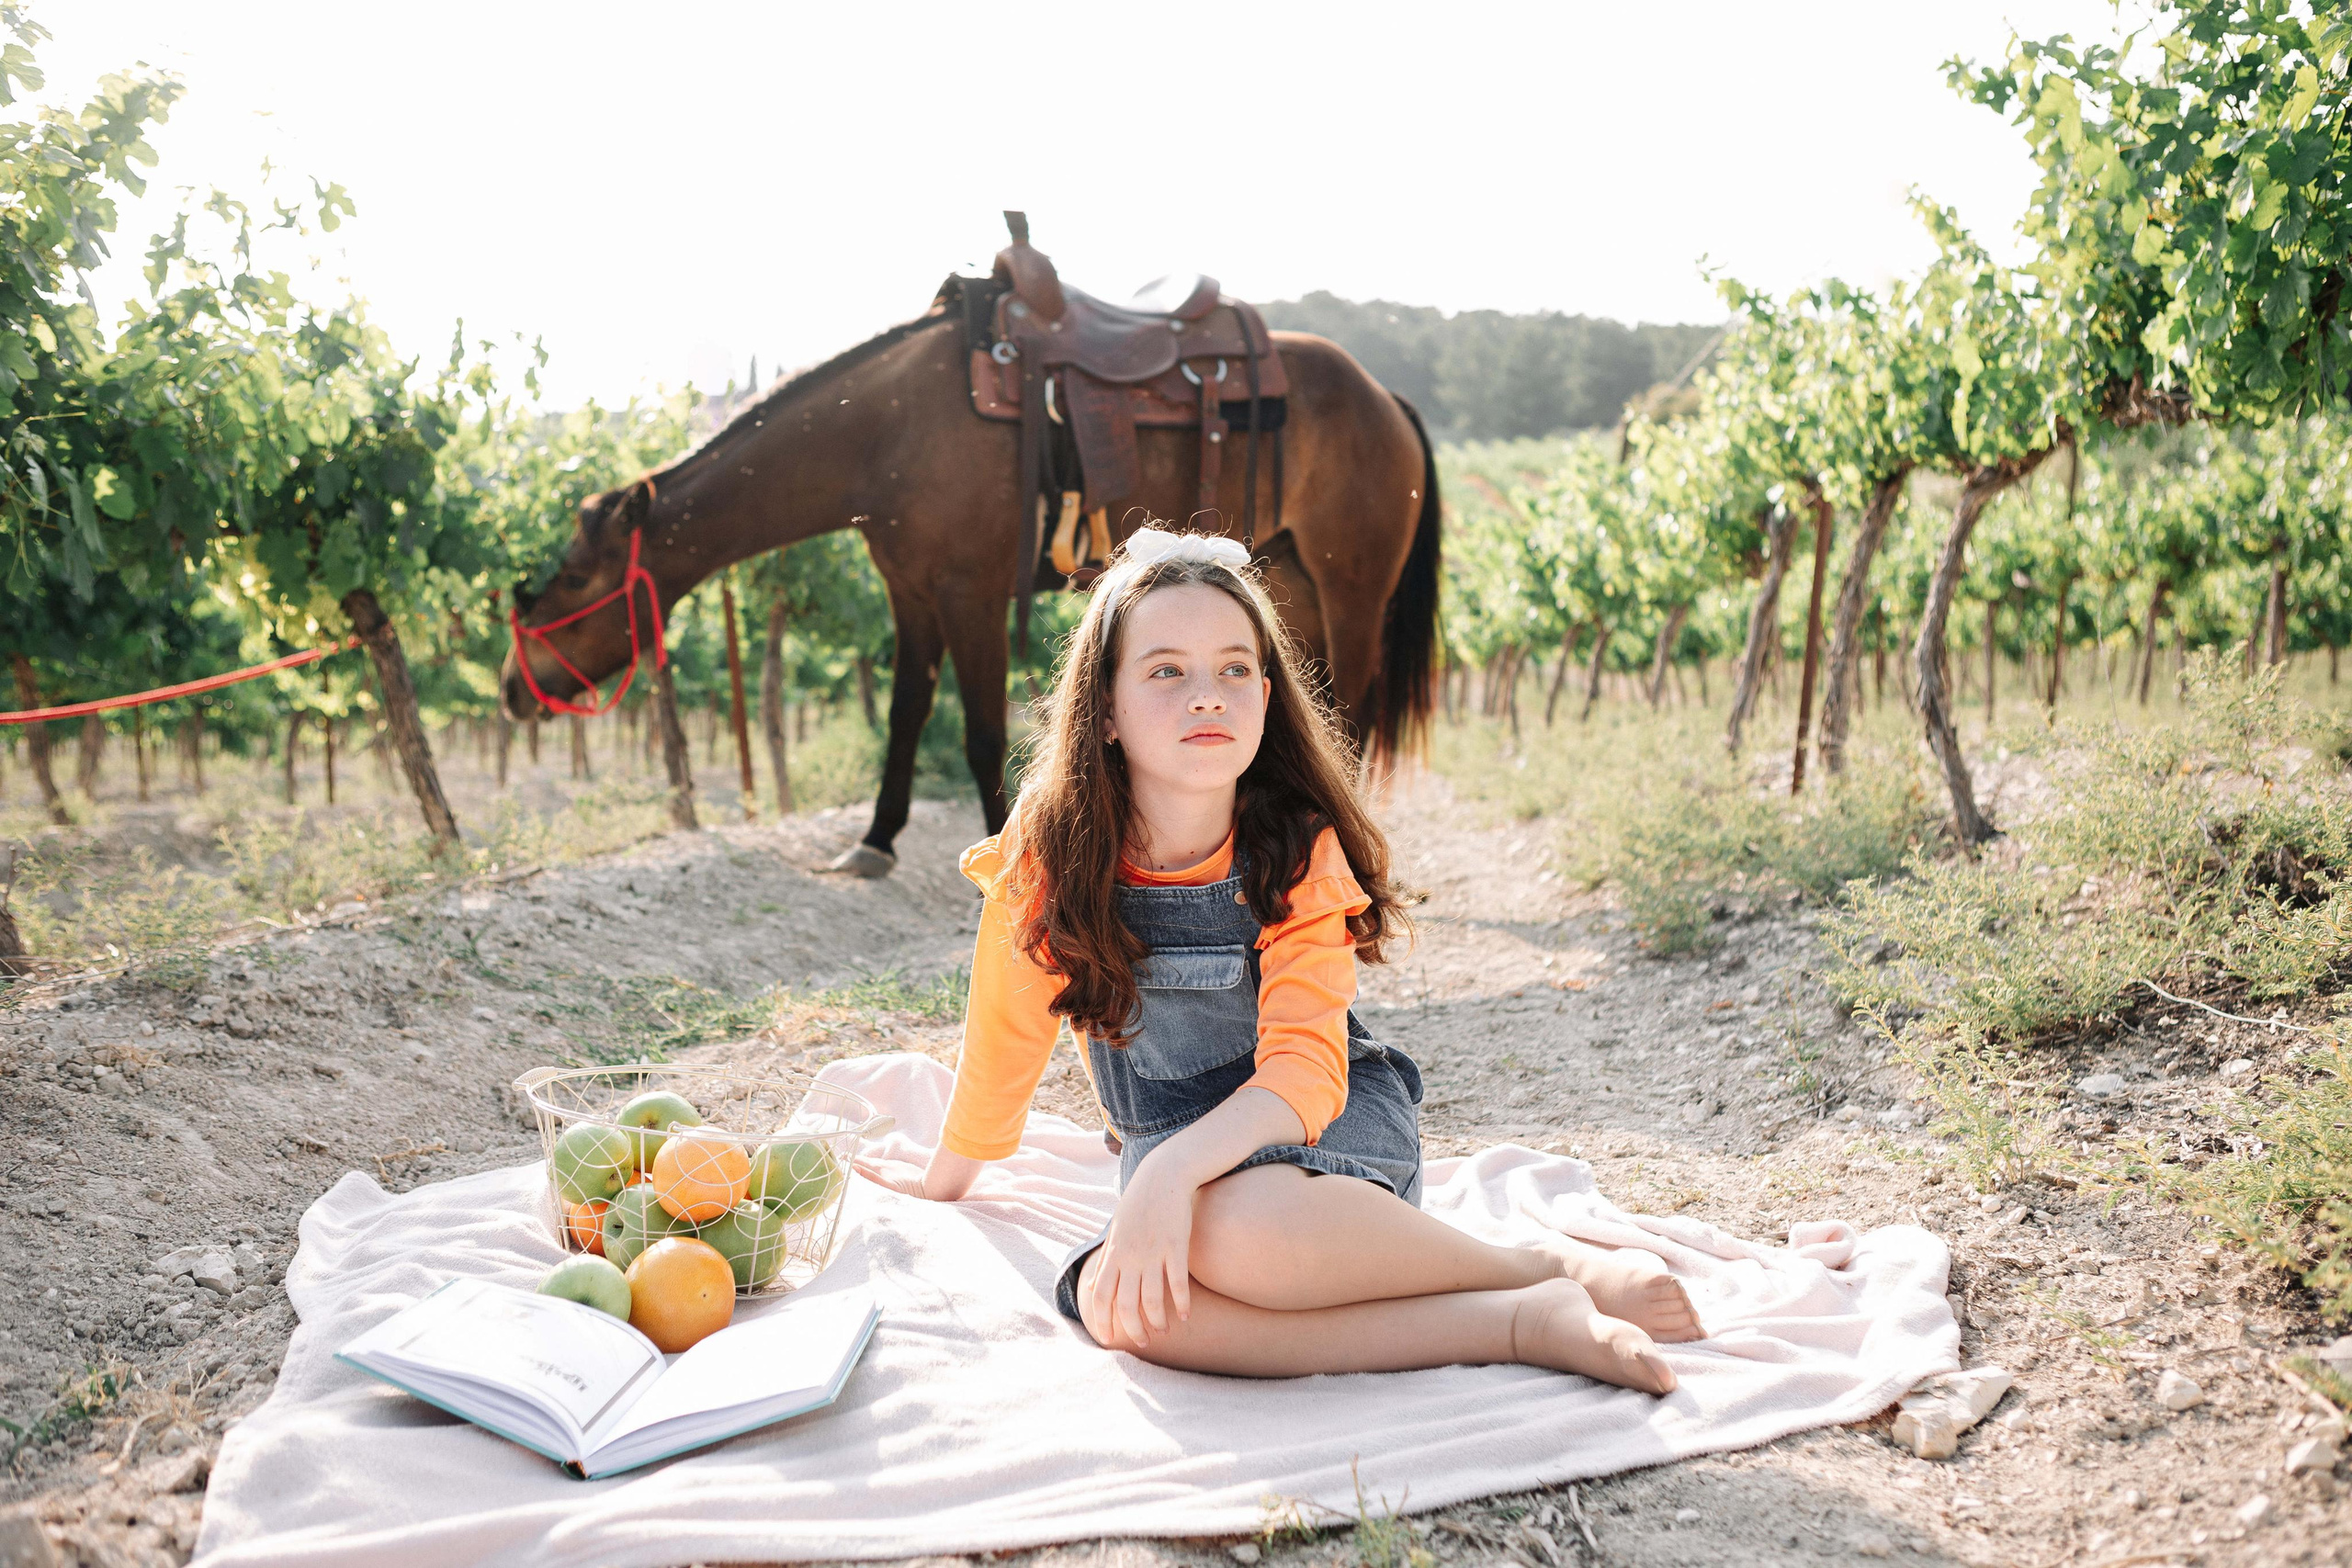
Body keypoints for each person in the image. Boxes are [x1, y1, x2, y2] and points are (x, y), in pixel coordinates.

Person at [854, 526, 1697, 1392]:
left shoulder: (1293, 851)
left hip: (1324, 1133)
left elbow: (1303, 1073)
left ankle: (1533, 1269)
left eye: (1231, 670)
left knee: (1226, 1231)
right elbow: (1004, 1036)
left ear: (1265, 693)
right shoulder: (1052, 851)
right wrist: (945, 1178)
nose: (1206, 696)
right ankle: (1519, 1320)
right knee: (1126, 1309)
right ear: (1103, 708)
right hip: (1176, 1158)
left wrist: (1172, 1173)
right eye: (1165, 671)